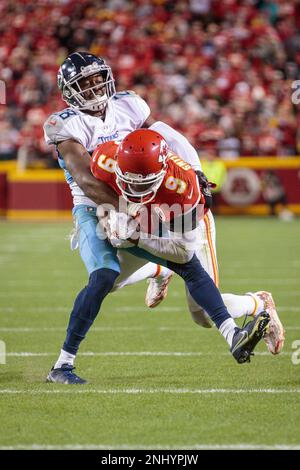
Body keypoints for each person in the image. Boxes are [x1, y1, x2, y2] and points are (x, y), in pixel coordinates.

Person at [44, 52, 284, 384]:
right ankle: (62, 365)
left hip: (150, 203)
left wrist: (195, 174)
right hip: (97, 206)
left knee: (192, 284)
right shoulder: (65, 123)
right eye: (86, 82)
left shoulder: (130, 108)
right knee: (103, 278)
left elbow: (167, 135)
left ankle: (243, 316)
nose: (96, 86)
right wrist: (129, 212)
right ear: (69, 90)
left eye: (98, 78)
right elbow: (87, 181)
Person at [90, 129, 270, 374]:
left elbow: (183, 254)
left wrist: (135, 236)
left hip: (182, 224)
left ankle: (258, 303)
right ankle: (158, 270)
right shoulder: (105, 157)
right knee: (107, 281)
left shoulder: (183, 187)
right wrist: (111, 216)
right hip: (147, 220)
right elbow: (160, 128)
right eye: (129, 179)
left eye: (142, 182)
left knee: (203, 315)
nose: (134, 188)